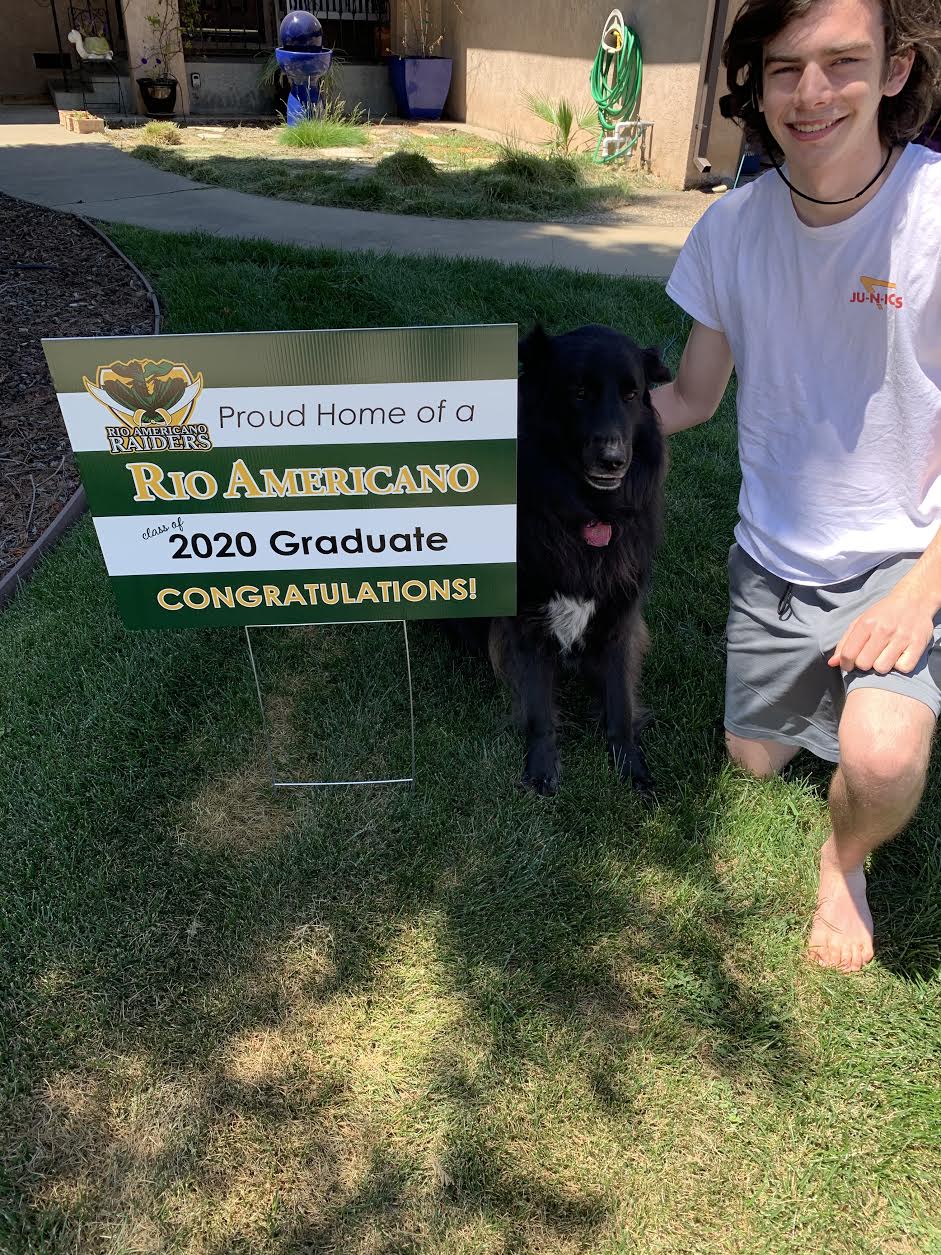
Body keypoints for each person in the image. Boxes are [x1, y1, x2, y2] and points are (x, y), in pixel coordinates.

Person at [653, 0, 941, 971]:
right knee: (752, 760)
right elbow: (690, 397)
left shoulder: (935, 216)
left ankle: (842, 858)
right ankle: (848, 692)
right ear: (757, 84)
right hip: (770, 562)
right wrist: (536, 430)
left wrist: (918, 591)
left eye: (841, 62)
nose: (809, 94)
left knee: (879, 760)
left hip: (901, 555)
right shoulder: (732, 228)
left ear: (895, 69)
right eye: (783, 68)